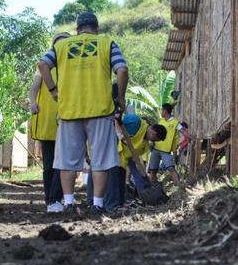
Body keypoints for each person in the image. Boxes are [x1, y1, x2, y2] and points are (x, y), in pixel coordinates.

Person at [37, 12, 128, 214]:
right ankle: (97, 204)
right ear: (96, 28)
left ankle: (68, 203)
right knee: (100, 161)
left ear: (77, 29)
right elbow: (121, 70)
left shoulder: (61, 46)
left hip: (70, 111)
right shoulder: (107, 43)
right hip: (100, 110)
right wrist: (120, 97)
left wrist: (53, 90)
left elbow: (43, 64)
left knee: (66, 161)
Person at [87, 114, 166, 211]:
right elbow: (116, 121)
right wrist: (119, 134)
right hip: (110, 148)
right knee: (108, 178)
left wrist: (142, 175)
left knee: (120, 181)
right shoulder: (135, 122)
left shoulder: (144, 144)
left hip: (122, 159)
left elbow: (133, 156)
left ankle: (117, 204)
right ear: (153, 131)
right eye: (154, 139)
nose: (152, 141)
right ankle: (106, 205)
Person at [29, 33, 70, 213]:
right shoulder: (44, 64)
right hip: (47, 117)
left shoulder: (73, 63)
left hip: (68, 116)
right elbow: (34, 87)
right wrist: (33, 102)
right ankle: (50, 199)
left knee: (62, 163)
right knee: (49, 163)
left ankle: (55, 198)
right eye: (58, 44)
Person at [148, 103, 194, 187]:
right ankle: (152, 187)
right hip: (156, 149)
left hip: (166, 151)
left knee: (171, 169)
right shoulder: (161, 121)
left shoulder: (175, 122)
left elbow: (184, 131)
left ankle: (179, 186)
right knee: (153, 170)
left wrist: (193, 138)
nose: (161, 112)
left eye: (162, 110)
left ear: (165, 111)